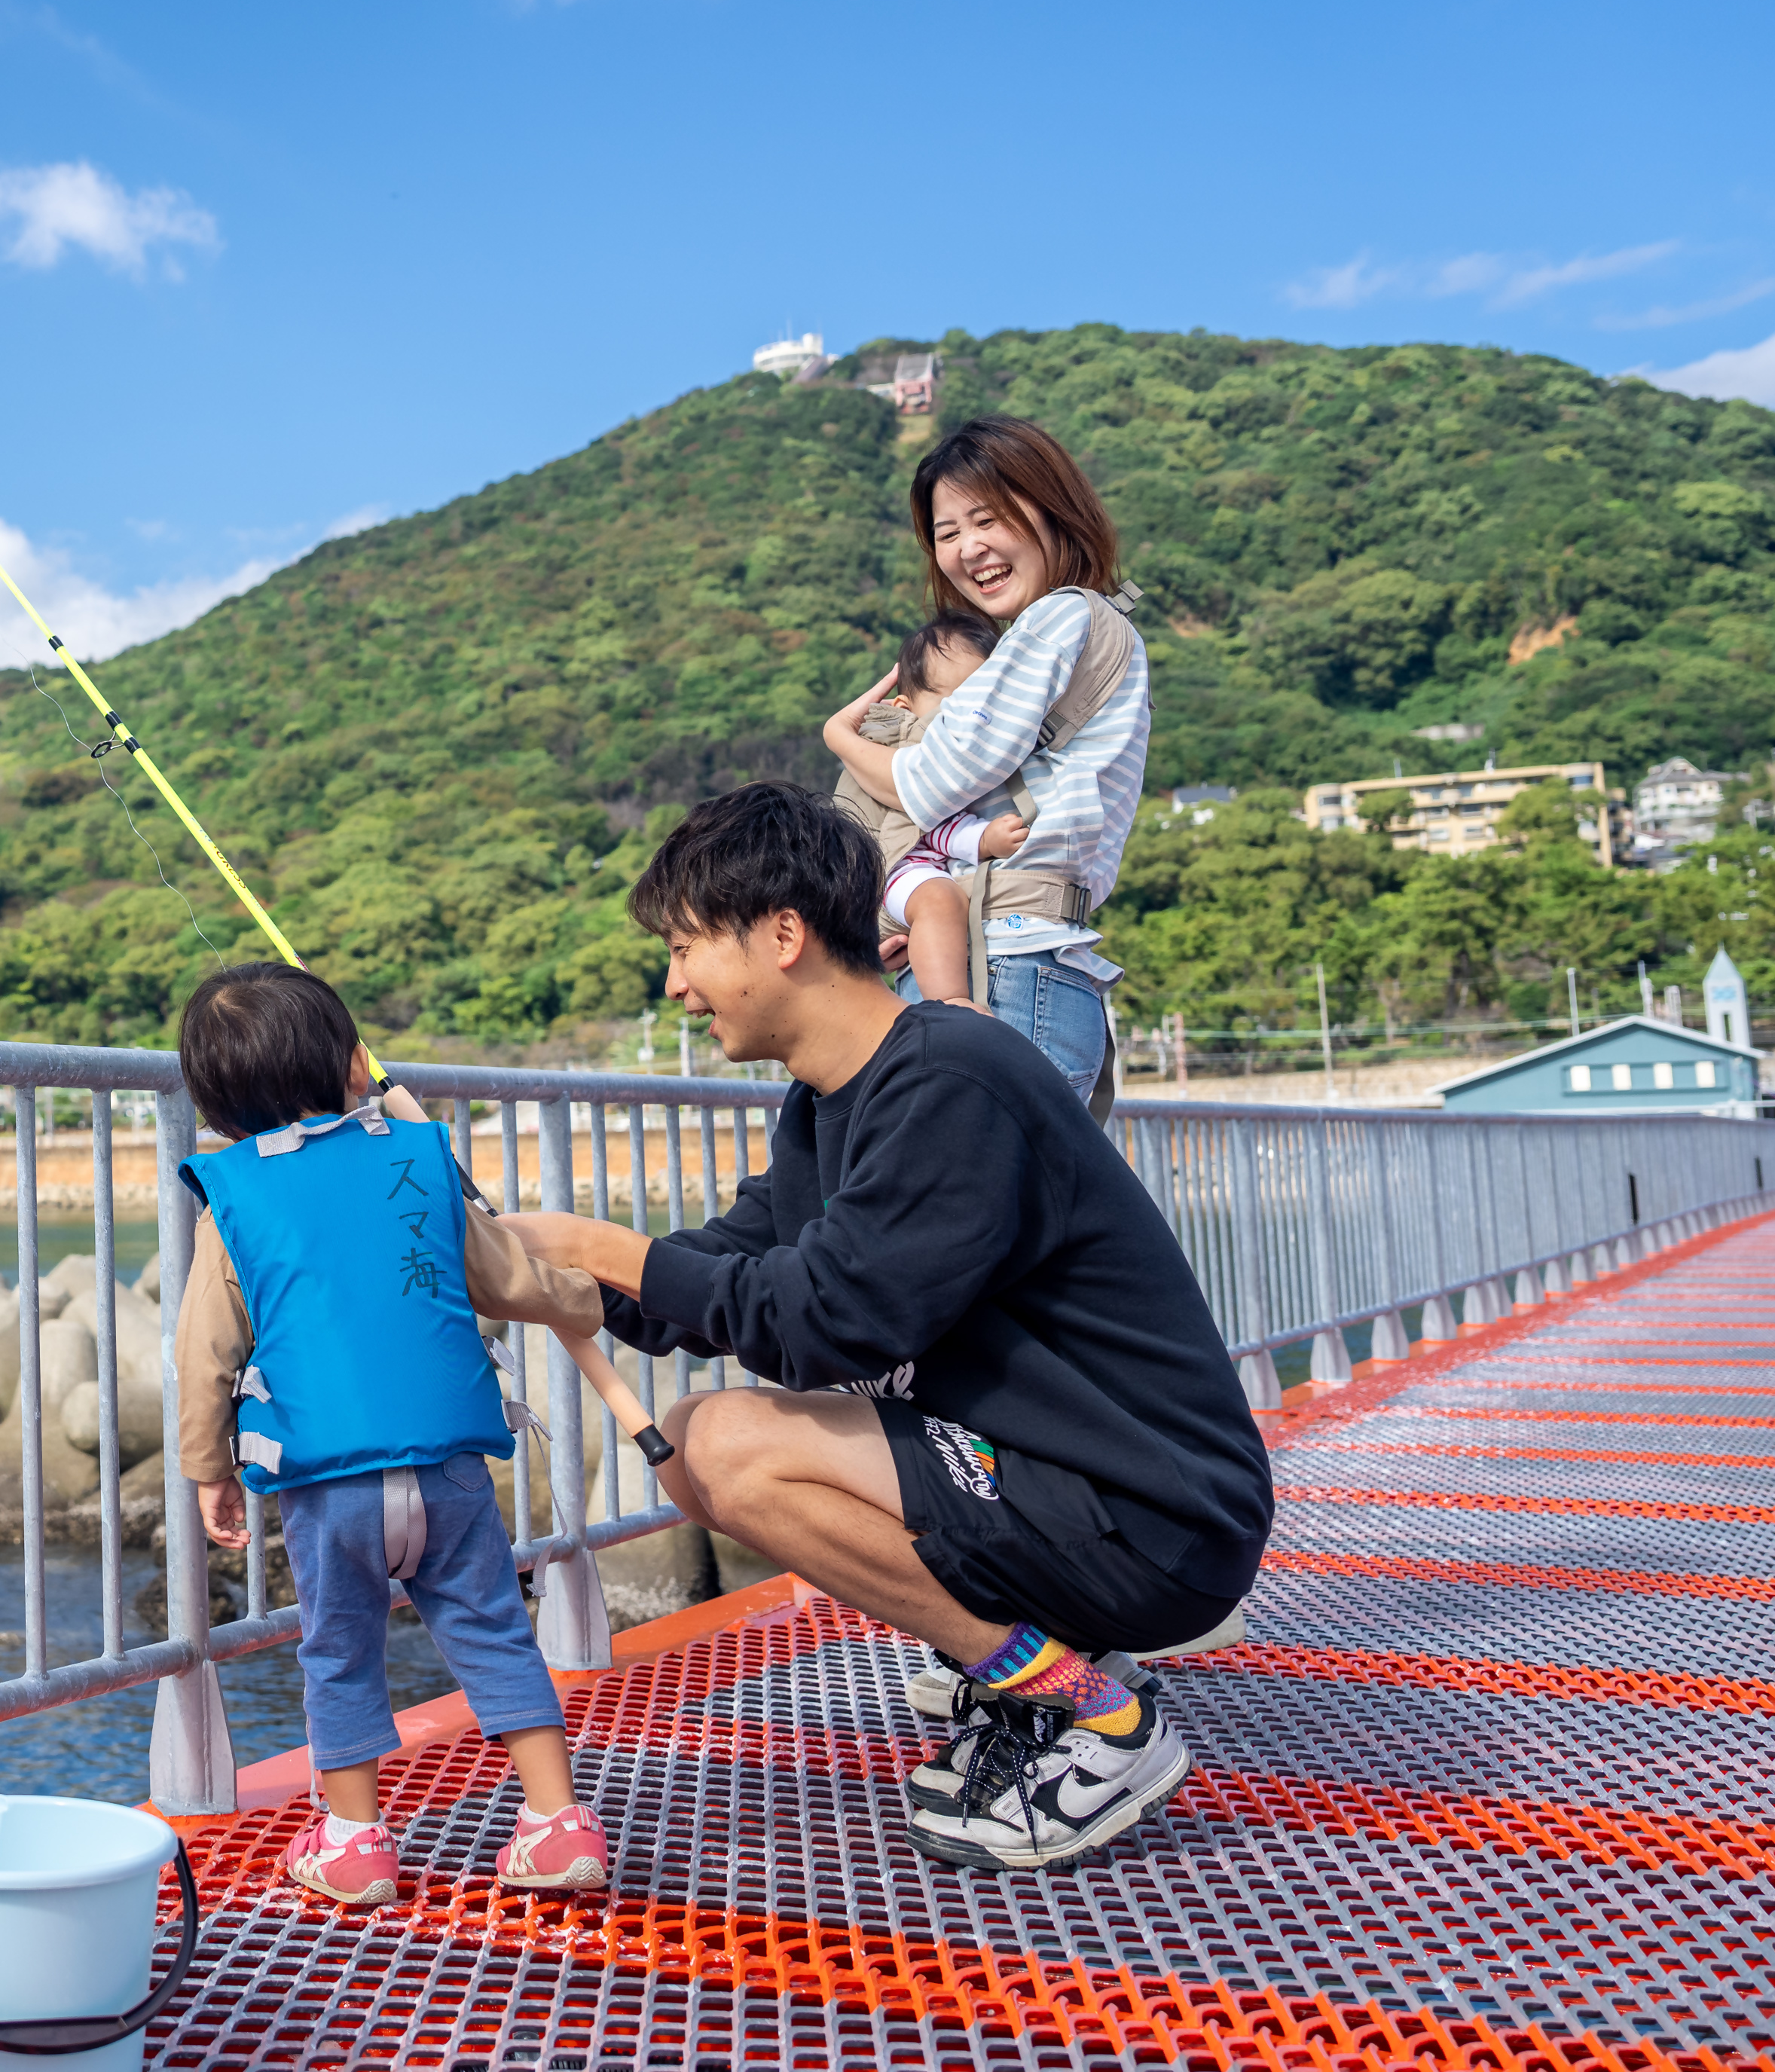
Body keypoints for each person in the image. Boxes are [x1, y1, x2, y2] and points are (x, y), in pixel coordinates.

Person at [505, 784, 1272, 1871]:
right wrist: (554, 1276)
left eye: (684, 948)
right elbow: (739, 1264)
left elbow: (831, 1321)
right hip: (1055, 1481)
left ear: (781, 935)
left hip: (1154, 1514)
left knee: (719, 1442)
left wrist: (598, 1245)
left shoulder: (956, 1075)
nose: (674, 984)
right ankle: (1044, 1683)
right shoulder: (832, 1100)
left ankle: (1102, 1718)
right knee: (698, 1446)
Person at [170, 961, 613, 1906]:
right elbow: (506, 1280)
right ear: (352, 1064)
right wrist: (592, 1297)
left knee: (337, 1649)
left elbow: (204, 1353)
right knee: (494, 1629)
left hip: (328, 1487)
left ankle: (355, 1843)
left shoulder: (235, 1199)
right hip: (449, 1467)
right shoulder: (414, 1156)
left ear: (215, 1105)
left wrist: (209, 1469)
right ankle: (557, 1823)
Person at [823, 417, 1149, 1099]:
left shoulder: (1062, 617)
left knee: (972, 1194)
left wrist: (843, 738)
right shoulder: (1074, 629)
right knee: (1016, 1198)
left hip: (1004, 966)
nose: (970, 549)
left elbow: (929, 785)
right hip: (1020, 958)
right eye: (947, 534)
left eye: (989, 519)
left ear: (1052, 508)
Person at [839, 611, 1029, 1006]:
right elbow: (928, 820)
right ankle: (952, 1002)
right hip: (894, 871)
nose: (974, 718)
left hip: (895, 881)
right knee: (940, 900)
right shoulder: (902, 745)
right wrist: (985, 838)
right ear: (906, 707)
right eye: (955, 703)